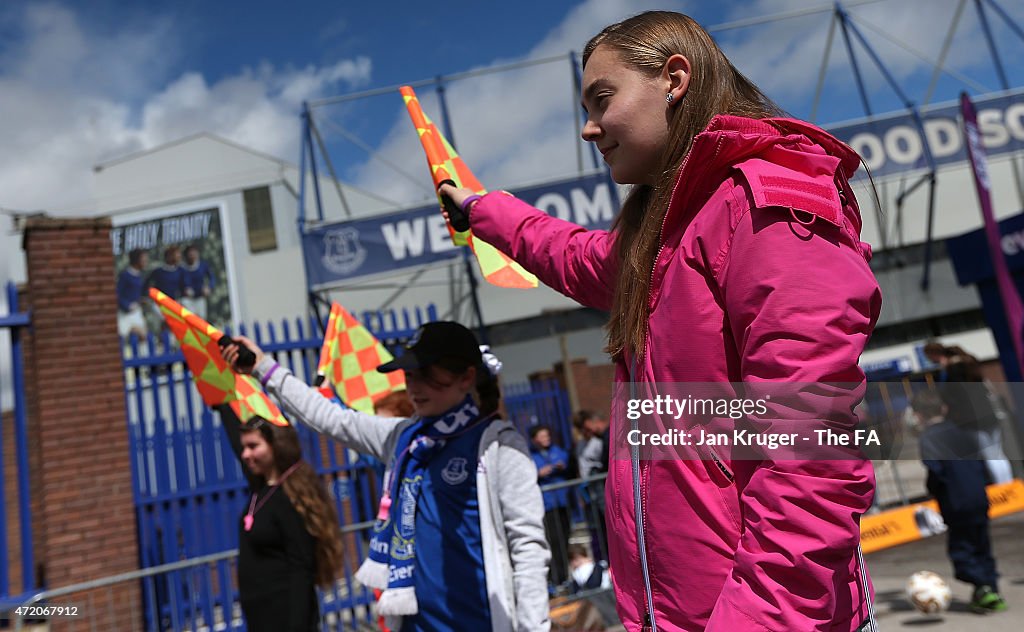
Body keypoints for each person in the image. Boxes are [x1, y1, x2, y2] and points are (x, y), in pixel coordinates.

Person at [440, 11, 881, 630]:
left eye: (602, 98)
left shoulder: (768, 208)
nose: (589, 129)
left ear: (675, 78)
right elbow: (572, 254)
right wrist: (482, 211)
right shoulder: (667, 234)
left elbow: (816, 457)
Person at [221, 321, 551, 631]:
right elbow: (330, 418)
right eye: (409, 375)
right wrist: (263, 368)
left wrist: (534, 626)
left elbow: (528, 547)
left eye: (426, 374)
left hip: (479, 620)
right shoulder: (402, 437)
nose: (414, 387)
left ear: (466, 378)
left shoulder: (499, 446)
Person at [216, 405, 344, 631]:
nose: (246, 454)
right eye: (244, 447)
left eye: (253, 446)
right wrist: (222, 405)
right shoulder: (261, 487)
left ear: (276, 446)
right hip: (261, 618)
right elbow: (237, 447)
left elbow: (301, 570)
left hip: (286, 619)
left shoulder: (290, 498)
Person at [911, 390, 1007, 612]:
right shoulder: (962, 431)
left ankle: (982, 586)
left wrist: (932, 490)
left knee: (961, 549)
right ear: (943, 409)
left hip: (955, 500)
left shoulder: (928, 439)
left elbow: (936, 471)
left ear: (918, 415)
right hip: (977, 496)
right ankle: (990, 589)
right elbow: (981, 462)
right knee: (981, 543)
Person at [924, 341, 1014, 484]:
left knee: (988, 456)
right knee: (998, 454)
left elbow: (952, 396)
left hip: (972, 419)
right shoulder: (969, 364)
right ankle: (1007, 484)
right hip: (988, 413)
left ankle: (1001, 487)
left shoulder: (952, 371)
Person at [529, 424, 572, 588]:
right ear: (534, 440)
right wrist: (538, 473)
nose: (546, 439)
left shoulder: (557, 450)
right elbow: (528, 472)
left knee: (565, 537)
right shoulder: (531, 456)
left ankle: (565, 576)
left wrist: (561, 466)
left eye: (547, 436)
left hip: (562, 501)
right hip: (547, 505)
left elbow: (565, 460)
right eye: (542, 436)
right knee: (553, 540)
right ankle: (556, 577)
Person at [116, 248, 149, 339]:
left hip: (137, 312)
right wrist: (126, 305)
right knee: (124, 337)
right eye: (143, 259)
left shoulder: (141, 275)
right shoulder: (125, 275)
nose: (146, 261)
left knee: (143, 336)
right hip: (124, 314)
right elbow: (117, 294)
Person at [181, 244, 215, 319]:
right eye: (190, 254)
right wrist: (184, 289)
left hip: (200, 297)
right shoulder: (182, 269)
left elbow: (212, 277)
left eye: (194, 253)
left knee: (201, 320)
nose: (192, 256)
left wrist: (209, 287)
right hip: (187, 299)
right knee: (190, 319)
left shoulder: (203, 265)